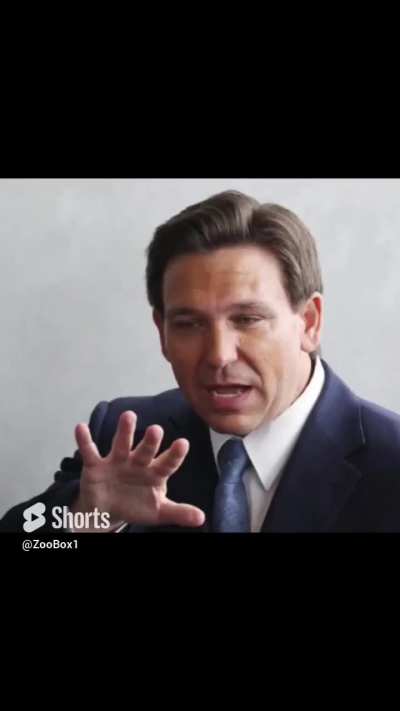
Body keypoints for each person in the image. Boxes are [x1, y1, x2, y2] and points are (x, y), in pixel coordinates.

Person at [2, 190, 400, 533]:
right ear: (162, 333)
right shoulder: (124, 438)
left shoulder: (392, 462)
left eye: (247, 320)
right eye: (189, 324)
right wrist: (86, 519)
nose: (218, 355)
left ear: (309, 323)